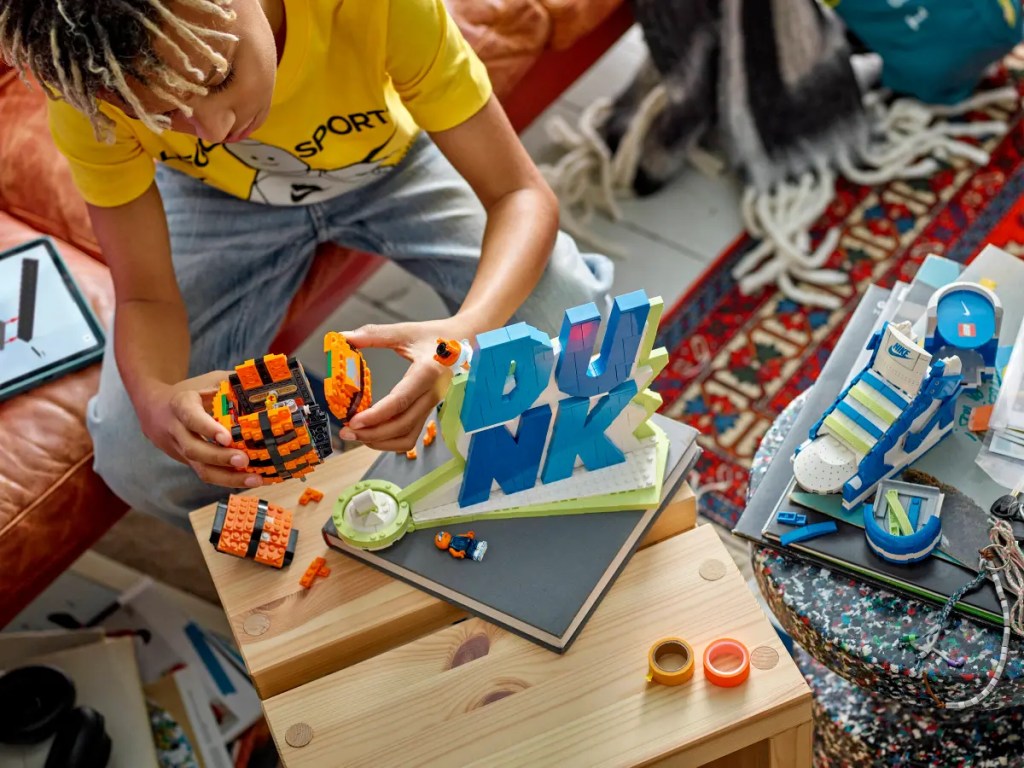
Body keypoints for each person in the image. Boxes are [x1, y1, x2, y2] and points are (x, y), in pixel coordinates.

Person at [0, 0, 613, 524]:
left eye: (216, 78)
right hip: (219, 201)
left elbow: (520, 195)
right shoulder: (87, 97)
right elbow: (144, 298)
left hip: (393, 161)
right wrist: (157, 400)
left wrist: (462, 335)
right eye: (162, 115)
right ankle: (345, 456)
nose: (212, 130)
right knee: (137, 460)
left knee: (581, 329)